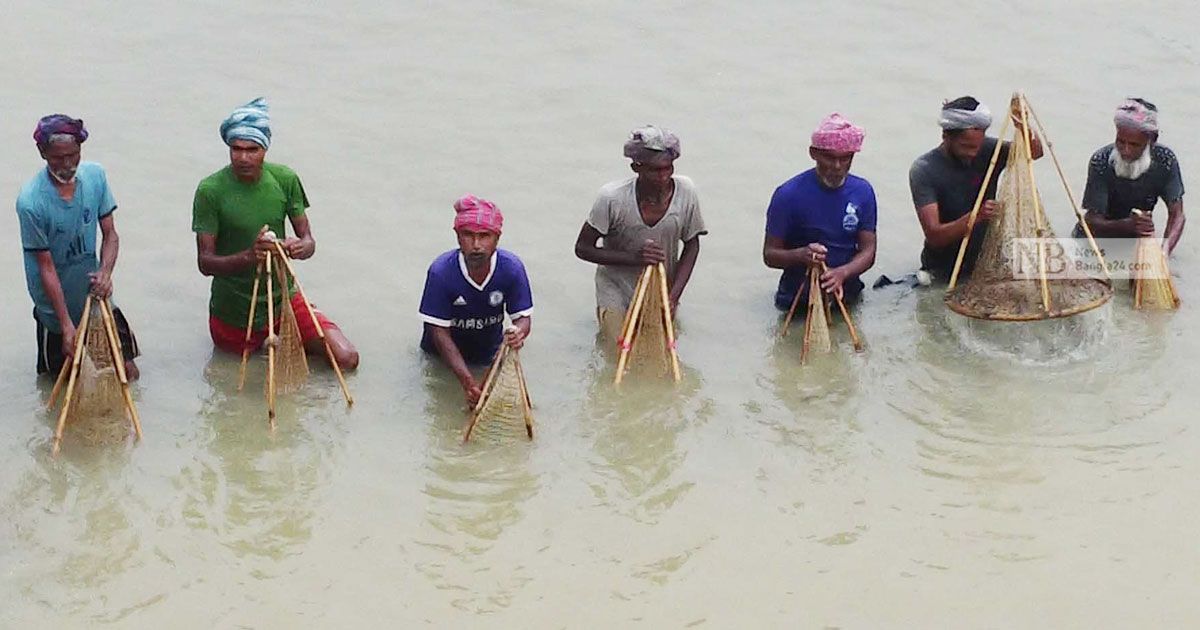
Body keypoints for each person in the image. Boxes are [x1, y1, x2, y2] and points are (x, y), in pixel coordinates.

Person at [192, 98, 359, 369]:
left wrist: (300, 247)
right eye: (236, 149)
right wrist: (250, 256)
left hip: (282, 299)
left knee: (346, 358)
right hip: (233, 312)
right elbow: (205, 263)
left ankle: (296, 338)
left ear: (265, 150)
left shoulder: (285, 179)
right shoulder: (210, 190)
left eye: (252, 149)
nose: (243, 157)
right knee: (244, 382)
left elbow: (309, 241)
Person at [17, 114, 140, 378]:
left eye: (73, 155)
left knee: (127, 372)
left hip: (94, 298)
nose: (67, 164)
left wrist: (105, 273)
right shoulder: (31, 202)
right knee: (61, 388)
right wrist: (66, 325)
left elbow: (110, 235)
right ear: (42, 152)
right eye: (57, 158)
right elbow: (45, 267)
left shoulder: (95, 177)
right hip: (56, 310)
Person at [574, 125, 707, 341]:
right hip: (616, 289)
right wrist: (634, 259)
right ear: (637, 167)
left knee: (657, 359)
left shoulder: (686, 193)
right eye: (655, 170)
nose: (664, 176)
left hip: (658, 291)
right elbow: (582, 248)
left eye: (668, 168)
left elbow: (692, 245)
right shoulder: (611, 198)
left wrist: (673, 298)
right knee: (617, 352)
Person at [908, 96, 1043, 280]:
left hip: (986, 264)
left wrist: (1023, 127)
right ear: (945, 135)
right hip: (943, 270)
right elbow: (935, 236)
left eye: (976, 147)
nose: (972, 153)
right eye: (965, 146)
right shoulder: (925, 170)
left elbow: (1034, 153)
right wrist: (976, 216)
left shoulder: (988, 151)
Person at [419, 195, 533, 405]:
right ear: (457, 236)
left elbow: (523, 318)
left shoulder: (512, 269)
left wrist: (518, 333)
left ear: (497, 238)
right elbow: (439, 332)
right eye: (468, 235)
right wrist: (467, 382)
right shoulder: (441, 272)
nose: (476, 245)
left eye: (484, 236)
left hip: (488, 353)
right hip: (442, 357)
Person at [763, 113, 877, 310]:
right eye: (830, 158)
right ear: (813, 153)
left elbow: (868, 251)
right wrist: (801, 255)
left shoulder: (863, 192)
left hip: (846, 296)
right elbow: (770, 255)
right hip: (798, 300)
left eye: (845, 158)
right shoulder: (787, 195)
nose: (837, 166)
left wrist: (843, 273)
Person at [1075, 98, 1185, 254]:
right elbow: (1091, 221)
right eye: (1120, 142)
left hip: (1136, 240)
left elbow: (1177, 215)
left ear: (1150, 141)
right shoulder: (1101, 161)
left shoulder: (1165, 160)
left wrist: (1164, 252)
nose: (1125, 151)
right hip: (1096, 241)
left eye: (1134, 145)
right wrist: (1127, 225)